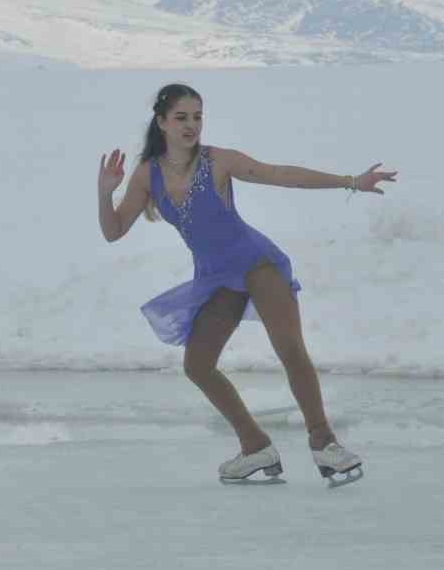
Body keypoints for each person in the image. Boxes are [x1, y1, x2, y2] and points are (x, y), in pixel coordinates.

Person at [97, 82, 397, 484]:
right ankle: (255, 447)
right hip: (216, 278)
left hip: (257, 264)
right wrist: (104, 194)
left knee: (290, 348)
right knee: (198, 365)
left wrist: (349, 181)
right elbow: (114, 231)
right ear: (162, 122)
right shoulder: (147, 175)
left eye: (198, 117)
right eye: (182, 118)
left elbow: (281, 175)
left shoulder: (218, 160)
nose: (192, 126)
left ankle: (325, 444)